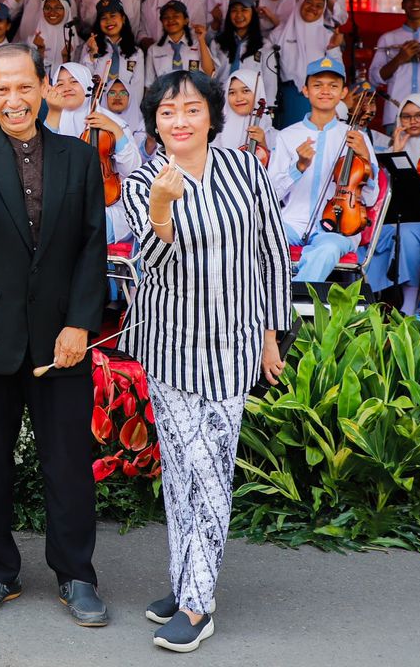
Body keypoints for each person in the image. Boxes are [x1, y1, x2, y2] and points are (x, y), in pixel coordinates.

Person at [121, 69, 293, 653]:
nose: (180, 121)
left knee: (211, 471)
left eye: (191, 110)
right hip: (169, 343)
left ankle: (198, 604)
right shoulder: (144, 179)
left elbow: (271, 254)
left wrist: (271, 335)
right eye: (167, 113)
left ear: (212, 117)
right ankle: (183, 579)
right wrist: (161, 211)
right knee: (180, 469)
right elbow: (149, 269)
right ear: (155, 124)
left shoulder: (247, 170)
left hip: (232, 345)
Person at [0, 44, 110, 626]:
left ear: (43, 88)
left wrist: (80, 322)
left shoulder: (79, 158)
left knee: (66, 462)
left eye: (23, 87)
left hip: (62, 336)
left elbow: (92, 245)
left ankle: (77, 573)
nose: (13, 100)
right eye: (0, 90)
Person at [269, 56, 377, 282]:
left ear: (343, 93)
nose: (325, 91)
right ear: (305, 90)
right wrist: (297, 167)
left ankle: (291, 308)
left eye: (333, 86)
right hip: (292, 222)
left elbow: (371, 195)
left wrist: (364, 155)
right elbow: (271, 195)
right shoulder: (287, 136)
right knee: (258, 239)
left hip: (340, 225)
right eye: (317, 85)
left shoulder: (356, 137)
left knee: (326, 251)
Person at [365, 92, 420, 315]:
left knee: (407, 235)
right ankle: (375, 293)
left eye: (419, 115)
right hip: (401, 215)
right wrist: (396, 152)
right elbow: (383, 191)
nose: (412, 121)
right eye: (406, 117)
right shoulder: (394, 146)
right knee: (376, 232)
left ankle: (410, 296)